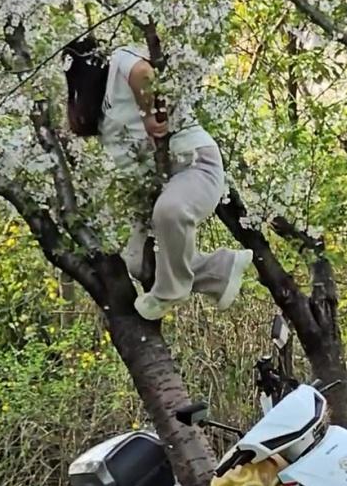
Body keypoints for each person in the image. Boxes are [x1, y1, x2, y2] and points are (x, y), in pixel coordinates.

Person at [63, 37, 252, 321]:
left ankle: (170, 291)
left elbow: (143, 72)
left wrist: (148, 114)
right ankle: (219, 270)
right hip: (156, 188)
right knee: (137, 262)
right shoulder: (99, 109)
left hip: (193, 164)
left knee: (171, 211)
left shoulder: (119, 60)